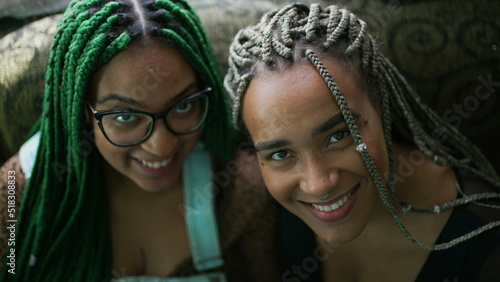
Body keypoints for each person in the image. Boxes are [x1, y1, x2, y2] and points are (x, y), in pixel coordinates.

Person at [0, 0, 281, 280]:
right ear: (81, 109)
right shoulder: (16, 191)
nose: (162, 146)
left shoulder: (237, 186)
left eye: (183, 106)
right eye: (125, 117)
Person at [224, 3, 500, 281]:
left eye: (338, 136)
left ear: (379, 104)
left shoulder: (485, 243)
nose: (318, 184)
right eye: (281, 154)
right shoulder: (257, 208)